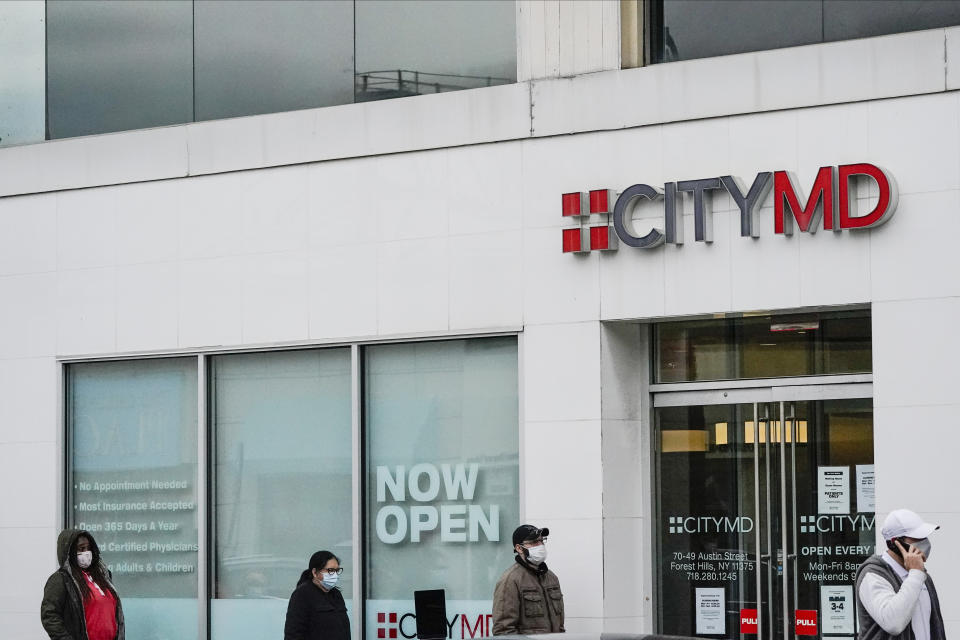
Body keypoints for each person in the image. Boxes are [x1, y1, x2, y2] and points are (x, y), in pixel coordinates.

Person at [855, 509, 946, 640]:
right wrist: (915, 574)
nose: (924, 542)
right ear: (895, 543)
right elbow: (893, 623)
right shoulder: (873, 575)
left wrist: (916, 573)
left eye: (924, 537)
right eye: (917, 537)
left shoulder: (922, 576)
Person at [41, 528, 125, 640]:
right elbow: (50, 615)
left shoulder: (103, 576)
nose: (87, 552)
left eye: (88, 548)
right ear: (69, 552)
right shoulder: (61, 579)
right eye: (81, 548)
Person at [492, 524, 564, 635]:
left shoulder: (551, 578)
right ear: (519, 548)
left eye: (541, 541)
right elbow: (504, 631)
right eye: (534, 542)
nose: (540, 545)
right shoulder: (510, 580)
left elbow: (560, 626)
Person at [284, 550, 350, 640]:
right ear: (315, 572)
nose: (334, 575)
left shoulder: (336, 594)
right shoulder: (302, 594)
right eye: (330, 570)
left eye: (337, 571)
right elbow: (293, 633)